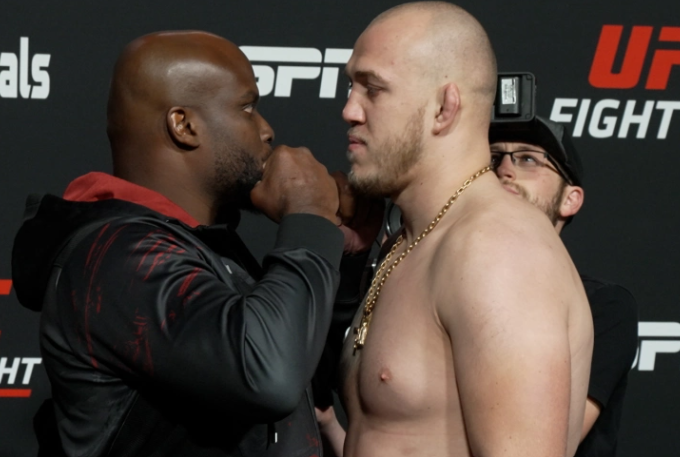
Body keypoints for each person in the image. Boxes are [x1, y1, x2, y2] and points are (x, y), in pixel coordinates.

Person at [11, 30, 370, 457]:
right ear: (183, 125)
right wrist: (308, 216)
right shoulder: (117, 258)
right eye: (247, 108)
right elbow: (267, 376)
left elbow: (302, 376)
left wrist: (341, 252)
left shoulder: (198, 246)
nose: (267, 129)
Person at [338, 3, 594, 457]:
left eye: (373, 89)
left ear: (444, 108)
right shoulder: (407, 241)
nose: (350, 110)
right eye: (351, 87)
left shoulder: (498, 251)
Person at [489, 116, 638, 457]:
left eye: (528, 159)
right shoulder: (436, 284)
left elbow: (542, 446)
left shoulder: (602, 306)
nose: (504, 170)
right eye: (492, 158)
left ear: (570, 200)